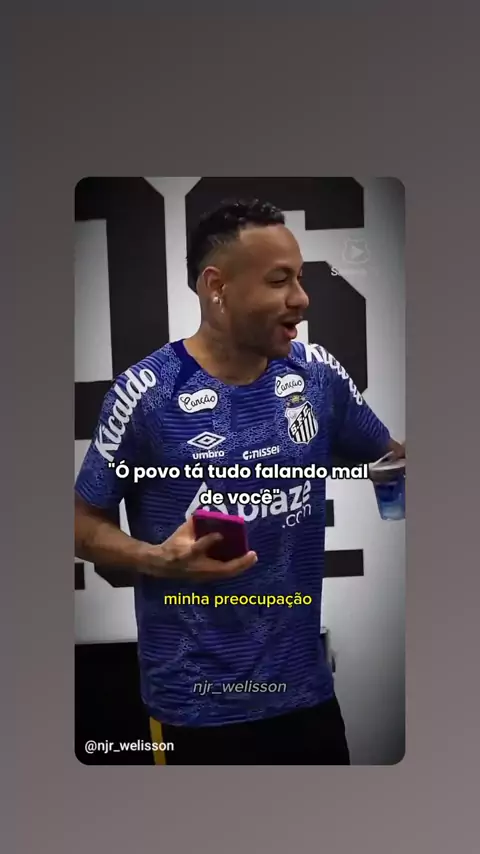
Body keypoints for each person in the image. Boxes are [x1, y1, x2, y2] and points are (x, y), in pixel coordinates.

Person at [75, 198, 405, 765]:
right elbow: (80, 523)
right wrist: (156, 559)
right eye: (279, 281)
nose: (301, 298)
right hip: (194, 708)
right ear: (217, 287)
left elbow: (392, 457)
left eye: (299, 278)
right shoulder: (147, 393)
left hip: (306, 697)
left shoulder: (316, 375)